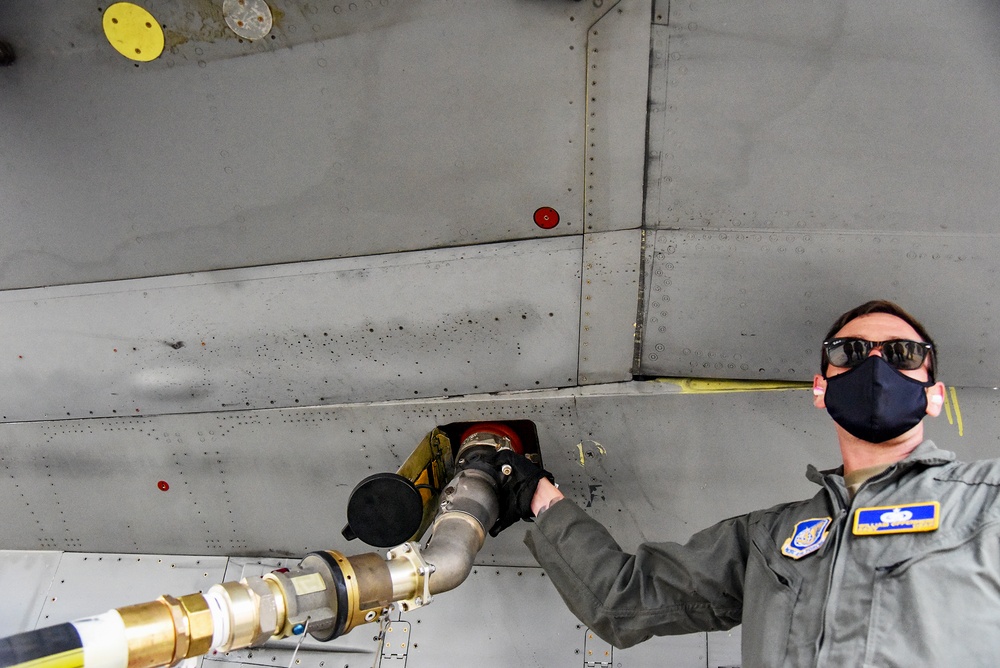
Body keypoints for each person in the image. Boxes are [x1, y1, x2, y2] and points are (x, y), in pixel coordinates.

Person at [488, 300, 1000, 667]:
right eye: (850, 351)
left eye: (902, 355)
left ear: (934, 394)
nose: (874, 364)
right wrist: (538, 496)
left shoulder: (987, 502)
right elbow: (625, 601)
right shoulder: (768, 539)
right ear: (821, 389)